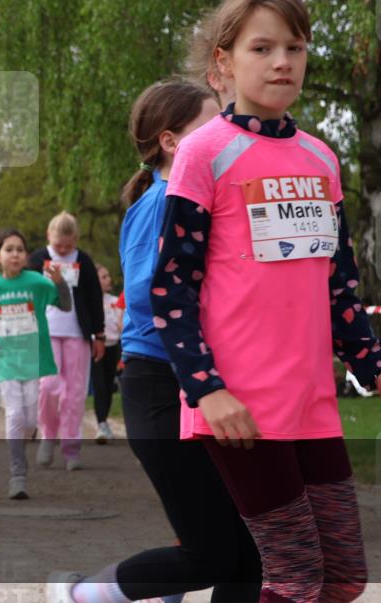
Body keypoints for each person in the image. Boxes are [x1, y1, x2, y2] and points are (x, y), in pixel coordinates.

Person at [150, 0, 381, 602]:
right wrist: (207, 390)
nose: (282, 62)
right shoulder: (203, 154)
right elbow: (170, 291)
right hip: (239, 407)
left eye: (296, 48)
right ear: (224, 62)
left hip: (311, 403)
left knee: (345, 580)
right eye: (263, 47)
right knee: (295, 578)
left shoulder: (322, 160)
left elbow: (339, 287)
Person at [48, 78, 261, 603]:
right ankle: (81, 597)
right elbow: (148, 293)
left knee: (250, 553)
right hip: (162, 387)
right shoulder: (163, 200)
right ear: (171, 142)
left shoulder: (196, 198)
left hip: (203, 384)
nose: (227, 134)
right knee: (211, 556)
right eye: (214, 124)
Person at [0, 229, 71, 500]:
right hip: (5, 359)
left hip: (34, 359)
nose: (15, 254)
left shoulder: (37, 282)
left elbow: (66, 305)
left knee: (28, 419)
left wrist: (61, 283)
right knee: (14, 415)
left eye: (20, 250)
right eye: (9, 249)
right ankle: (17, 475)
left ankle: (29, 433)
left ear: (26, 256)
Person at [29, 212, 105, 471]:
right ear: (49, 236)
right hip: (46, 331)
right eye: (59, 245)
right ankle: (48, 436)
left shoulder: (83, 260)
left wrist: (100, 334)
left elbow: (94, 298)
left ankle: (71, 448)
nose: (63, 250)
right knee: (48, 387)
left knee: (74, 394)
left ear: (76, 240)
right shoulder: (38, 259)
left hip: (77, 333)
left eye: (68, 245)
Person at [92, 265, 123, 443]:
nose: (108, 280)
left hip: (114, 347)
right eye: (103, 277)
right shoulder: (91, 300)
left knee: (109, 386)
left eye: (108, 276)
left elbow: (120, 322)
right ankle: (101, 423)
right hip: (96, 347)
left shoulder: (115, 300)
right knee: (99, 386)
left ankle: (103, 421)